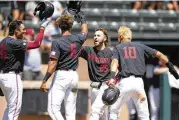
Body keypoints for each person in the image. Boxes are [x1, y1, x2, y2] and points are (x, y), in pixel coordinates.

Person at [107, 26, 179, 120]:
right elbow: (160, 54)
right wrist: (171, 67)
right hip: (139, 83)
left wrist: (112, 77)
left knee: (113, 111)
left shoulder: (118, 47)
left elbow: (114, 62)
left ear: (120, 37)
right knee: (144, 115)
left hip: (125, 83)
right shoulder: (140, 46)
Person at [40, 11, 88, 120]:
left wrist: (45, 80)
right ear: (71, 26)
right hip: (74, 76)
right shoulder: (78, 38)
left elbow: (52, 64)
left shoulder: (57, 42)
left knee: (53, 109)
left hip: (61, 76)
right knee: (70, 110)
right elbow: (85, 32)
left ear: (59, 26)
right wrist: (83, 20)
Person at [0, 19, 49, 120]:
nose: (24, 31)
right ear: (16, 31)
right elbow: (36, 44)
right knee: (14, 111)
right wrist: (42, 28)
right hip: (12, 77)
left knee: (9, 108)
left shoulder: (3, 42)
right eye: (22, 29)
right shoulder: (15, 43)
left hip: (3, 77)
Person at [79, 28, 113, 120]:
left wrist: (114, 80)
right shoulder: (89, 50)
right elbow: (74, 49)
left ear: (105, 38)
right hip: (93, 86)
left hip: (105, 86)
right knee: (101, 115)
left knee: (95, 110)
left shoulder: (110, 52)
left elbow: (117, 67)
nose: (95, 37)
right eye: (94, 35)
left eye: (98, 35)